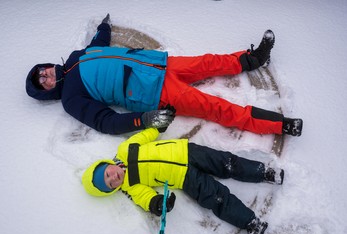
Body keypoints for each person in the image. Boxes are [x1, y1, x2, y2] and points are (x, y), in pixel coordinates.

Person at [26, 14, 303, 137]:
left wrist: (103, 28)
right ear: (47, 91)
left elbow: (97, 47)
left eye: (43, 71)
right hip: (154, 94)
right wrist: (143, 120)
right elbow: (105, 122)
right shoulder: (71, 99)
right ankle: (280, 125)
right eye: (44, 82)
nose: (47, 75)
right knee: (215, 108)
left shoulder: (75, 58)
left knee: (208, 62)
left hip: (157, 64)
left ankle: (253, 59)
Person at [82, 127, 285, 234]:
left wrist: (158, 123)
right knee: (215, 197)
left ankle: (265, 172)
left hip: (186, 151)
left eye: (107, 174)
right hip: (183, 178)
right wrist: (157, 203)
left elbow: (145, 136)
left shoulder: (125, 149)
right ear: (113, 189)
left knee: (226, 162)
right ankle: (252, 223)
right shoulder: (130, 186)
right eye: (110, 184)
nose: (113, 178)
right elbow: (144, 197)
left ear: (105, 164)